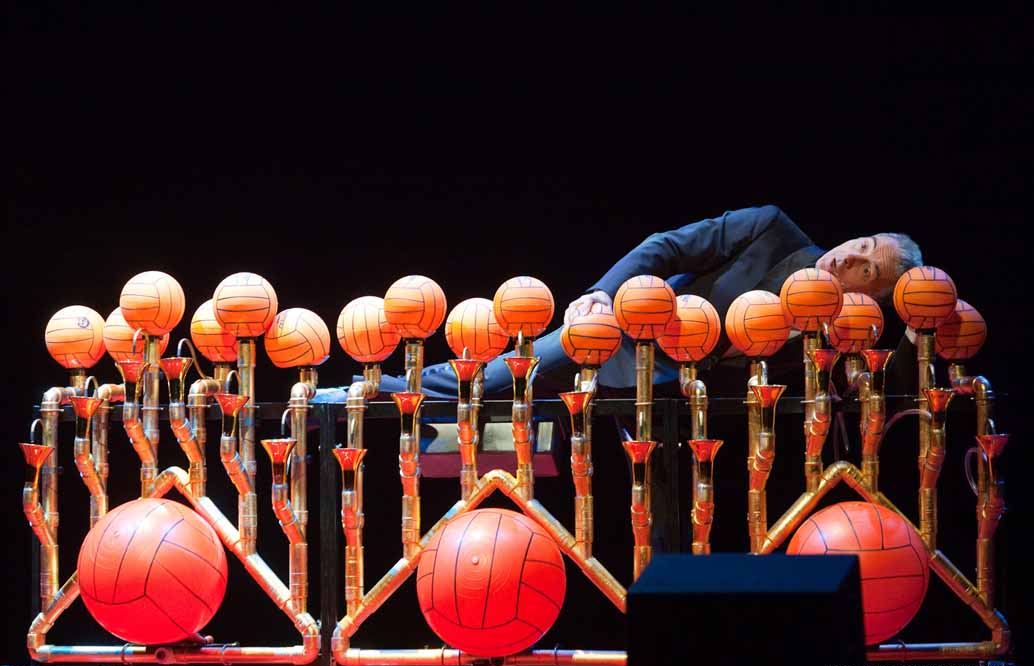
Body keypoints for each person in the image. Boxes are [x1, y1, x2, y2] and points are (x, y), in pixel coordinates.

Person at [315, 205, 923, 402]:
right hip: (630, 336)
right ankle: (365, 393)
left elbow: (877, 395)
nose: (847, 259)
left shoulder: (846, 330)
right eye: (860, 244)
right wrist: (603, 295)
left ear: (874, 295)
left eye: (866, 269)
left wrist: (918, 331)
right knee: (502, 377)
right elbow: (666, 246)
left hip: (688, 408)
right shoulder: (772, 230)